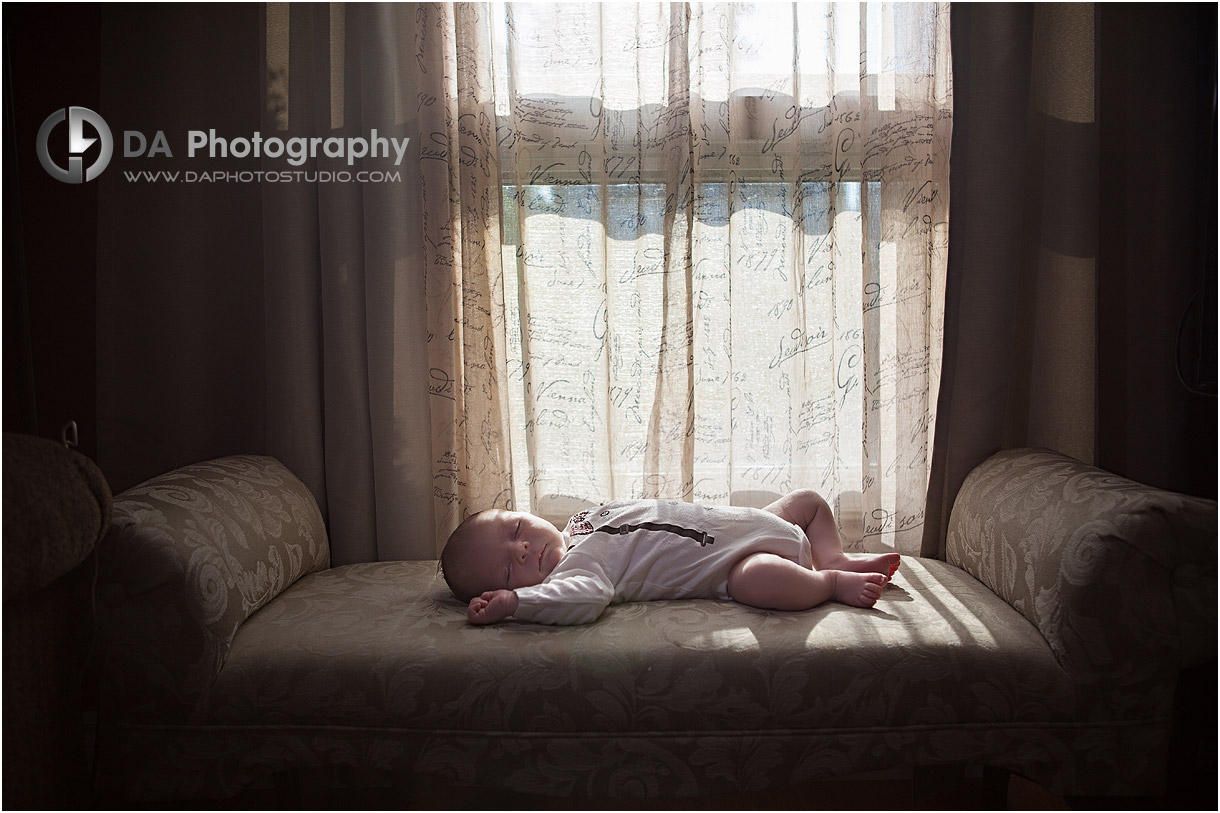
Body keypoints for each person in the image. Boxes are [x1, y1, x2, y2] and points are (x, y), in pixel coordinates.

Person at [440, 490, 900, 626]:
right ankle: (830, 582)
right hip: (740, 562)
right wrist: (516, 605)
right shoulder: (577, 573)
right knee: (753, 581)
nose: (522, 548)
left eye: (517, 529)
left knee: (809, 501)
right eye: (507, 569)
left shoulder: (580, 522)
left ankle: (833, 554)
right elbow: (581, 601)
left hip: (756, 521)